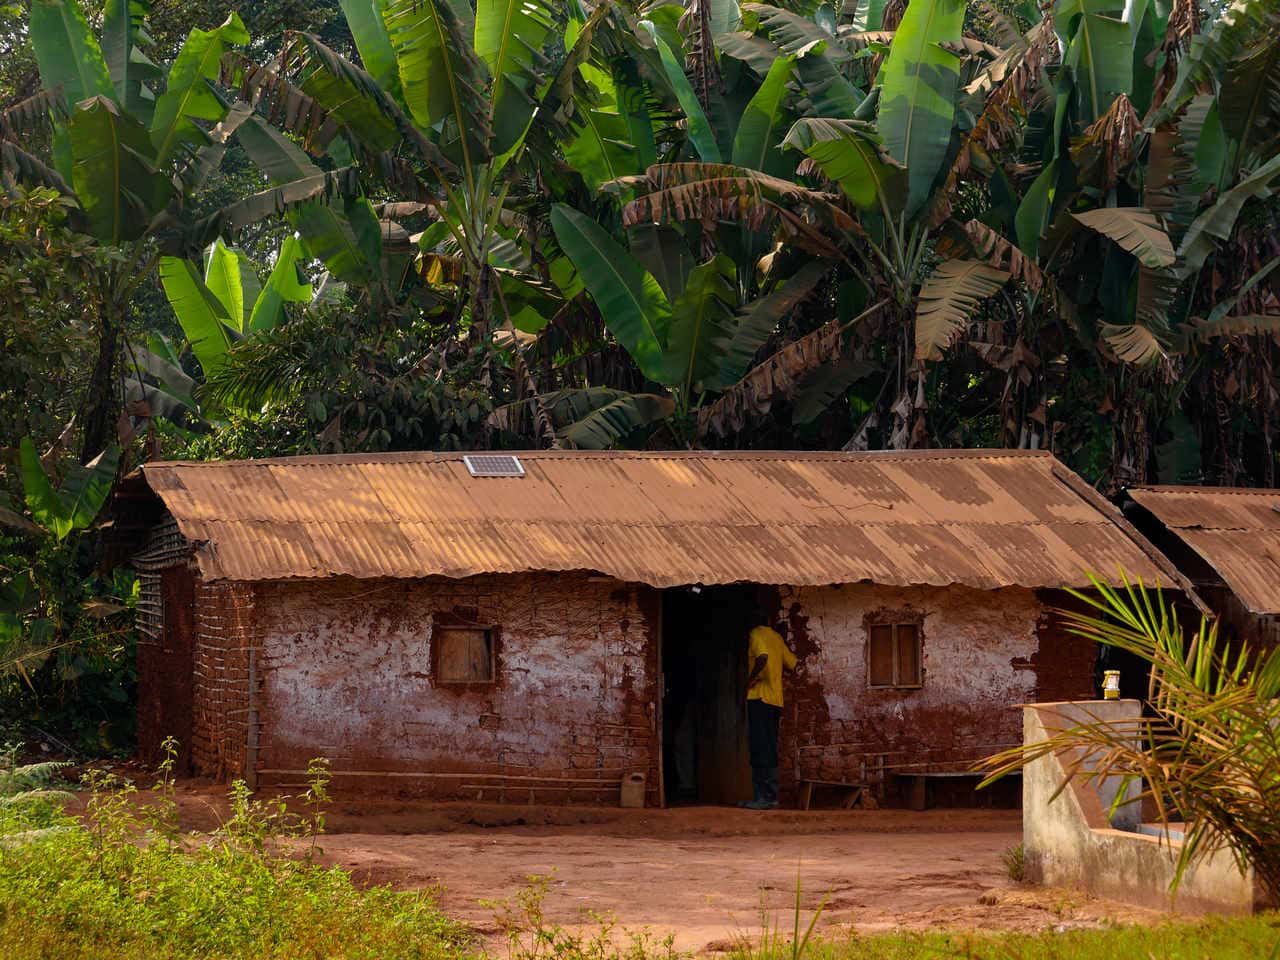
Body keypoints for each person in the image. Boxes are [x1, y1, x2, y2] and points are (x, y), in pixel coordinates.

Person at [740, 620, 797, 810]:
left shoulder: (756, 633)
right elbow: (793, 663)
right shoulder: (776, 637)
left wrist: (751, 679)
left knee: (759, 747)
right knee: (770, 747)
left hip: (760, 697)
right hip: (775, 700)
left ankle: (764, 798)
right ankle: (770, 796)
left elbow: (762, 657)